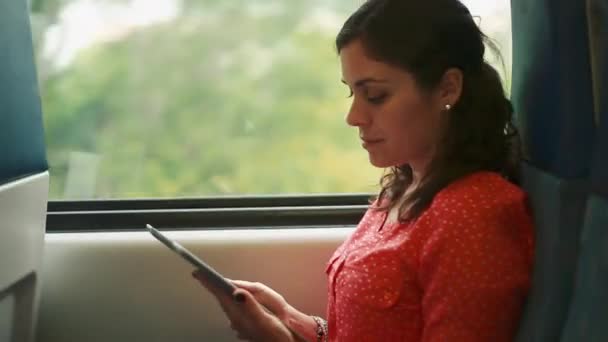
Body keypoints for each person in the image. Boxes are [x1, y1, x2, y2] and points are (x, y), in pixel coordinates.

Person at [193, 0, 535, 340]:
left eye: (374, 96)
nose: (353, 116)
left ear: (448, 88)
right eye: (351, 94)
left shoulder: (473, 214)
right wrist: (291, 322)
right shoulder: (402, 189)